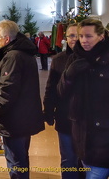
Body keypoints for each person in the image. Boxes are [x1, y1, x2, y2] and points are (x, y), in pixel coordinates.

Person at [0, 19, 45, 179]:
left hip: (14, 119)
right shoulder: (22, 53)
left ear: (7, 39)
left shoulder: (12, 57)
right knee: (21, 158)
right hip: (23, 117)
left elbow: (8, 90)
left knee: (15, 161)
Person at [60, 19, 109, 178]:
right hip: (84, 132)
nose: (83, 40)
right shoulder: (75, 58)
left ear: (101, 36)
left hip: (104, 131)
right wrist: (69, 76)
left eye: (88, 36)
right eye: (81, 36)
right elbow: (61, 92)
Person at [44, 23, 82, 179]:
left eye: (77, 35)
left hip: (85, 118)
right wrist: (48, 110)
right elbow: (51, 87)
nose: (74, 39)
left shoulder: (92, 59)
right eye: (70, 36)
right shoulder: (59, 59)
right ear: (66, 38)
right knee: (68, 159)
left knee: (84, 160)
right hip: (65, 116)